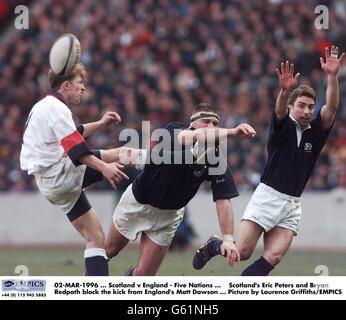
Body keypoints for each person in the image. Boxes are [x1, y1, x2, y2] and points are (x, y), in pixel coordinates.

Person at [193, 46, 345, 275]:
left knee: (273, 256)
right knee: (241, 252)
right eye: (301, 106)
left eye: (310, 107)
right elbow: (280, 111)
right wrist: (284, 91)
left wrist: (332, 77)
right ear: (293, 107)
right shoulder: (282, 127)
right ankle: (215, 245)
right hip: (268, 197)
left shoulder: (317, 130)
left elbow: (331, 107)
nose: (306, 111)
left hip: (292, 203)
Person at [20, 63, 144, 276]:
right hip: (61, 174)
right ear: (66, 85)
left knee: (95, 237)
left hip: (49, 183)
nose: (83, 88)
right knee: (124, 153)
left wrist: (101, 123)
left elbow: (74, 134)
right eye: (80, 83)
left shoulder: (44, 106)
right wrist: (104, 167)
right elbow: (77, 150)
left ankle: (91, 288)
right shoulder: (56, 109)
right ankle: (172, 162)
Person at [105, 102, 256, 276]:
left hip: (168, 216)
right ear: (193, 124)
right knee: (109, 250)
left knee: (144, 277)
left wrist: (228, 239)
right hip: (138, 203)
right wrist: (232, 131)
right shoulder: (175, 131)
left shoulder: (216, 158)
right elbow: (191, 137)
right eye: (206, 121)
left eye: (215, 124)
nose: (211, 127)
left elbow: (223, 199)